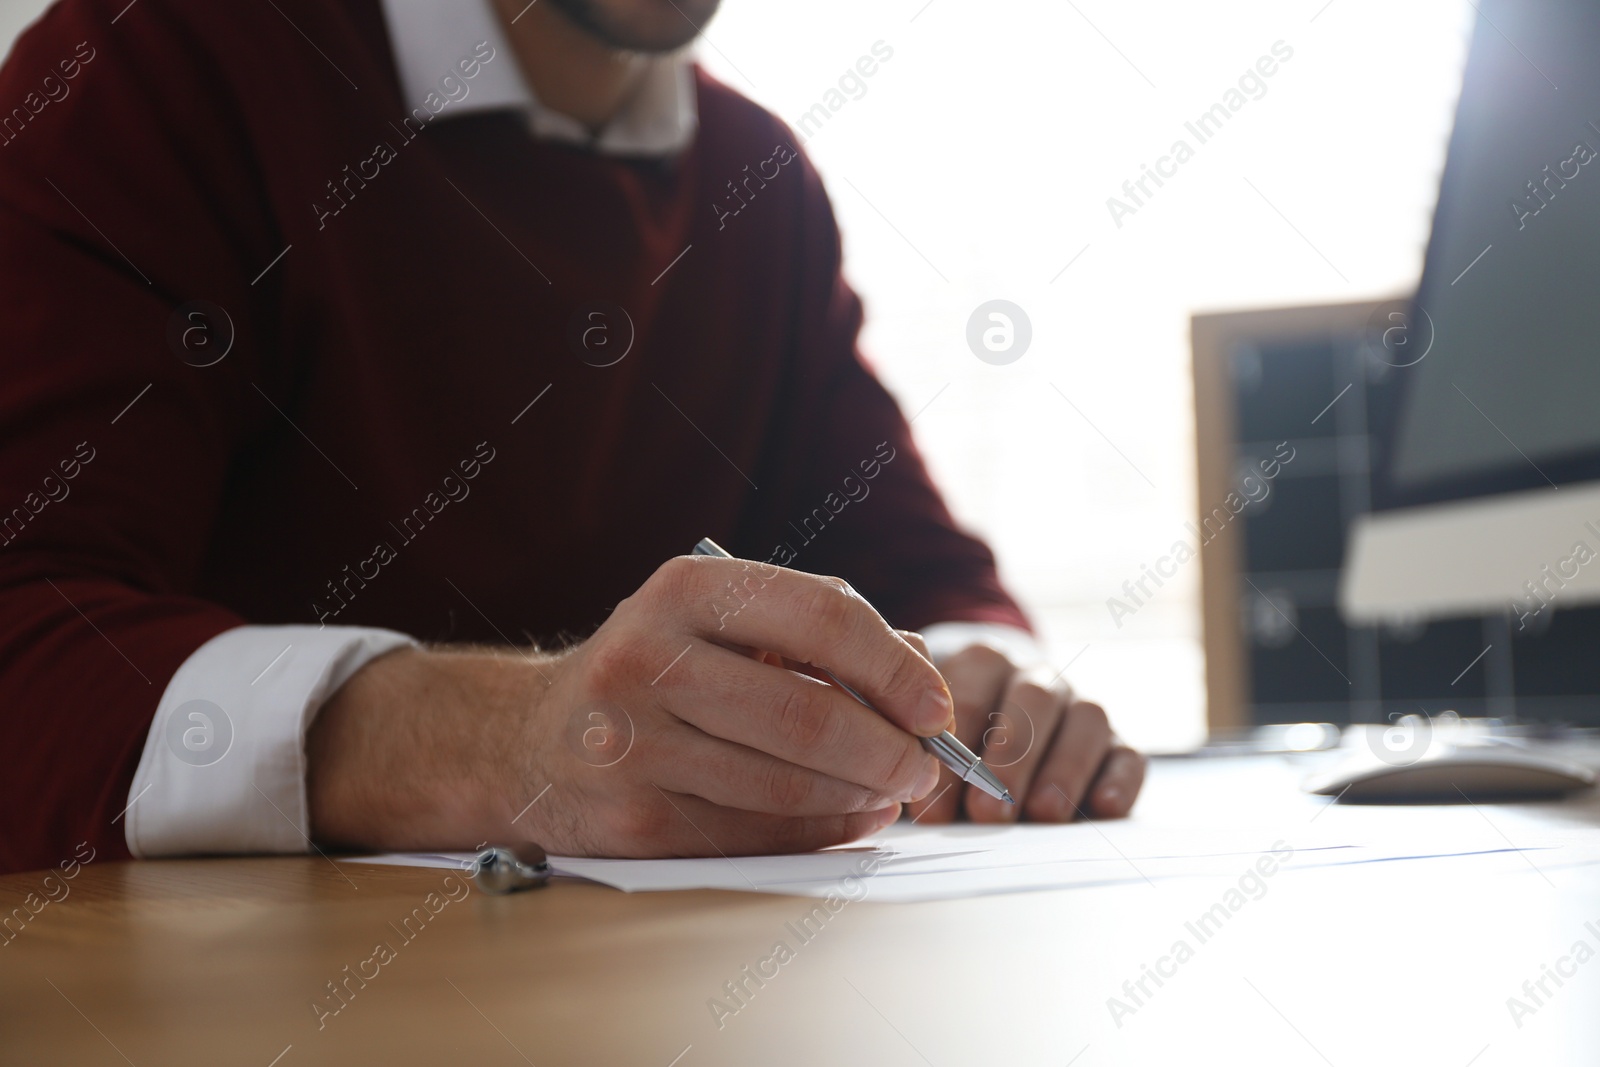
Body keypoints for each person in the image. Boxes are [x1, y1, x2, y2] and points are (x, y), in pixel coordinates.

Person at [0, 0, 1144, 876]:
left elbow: (927, 576)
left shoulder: (757, 182)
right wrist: (498, 743)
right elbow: (27, 634)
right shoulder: (148, 70)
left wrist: (982, 677)